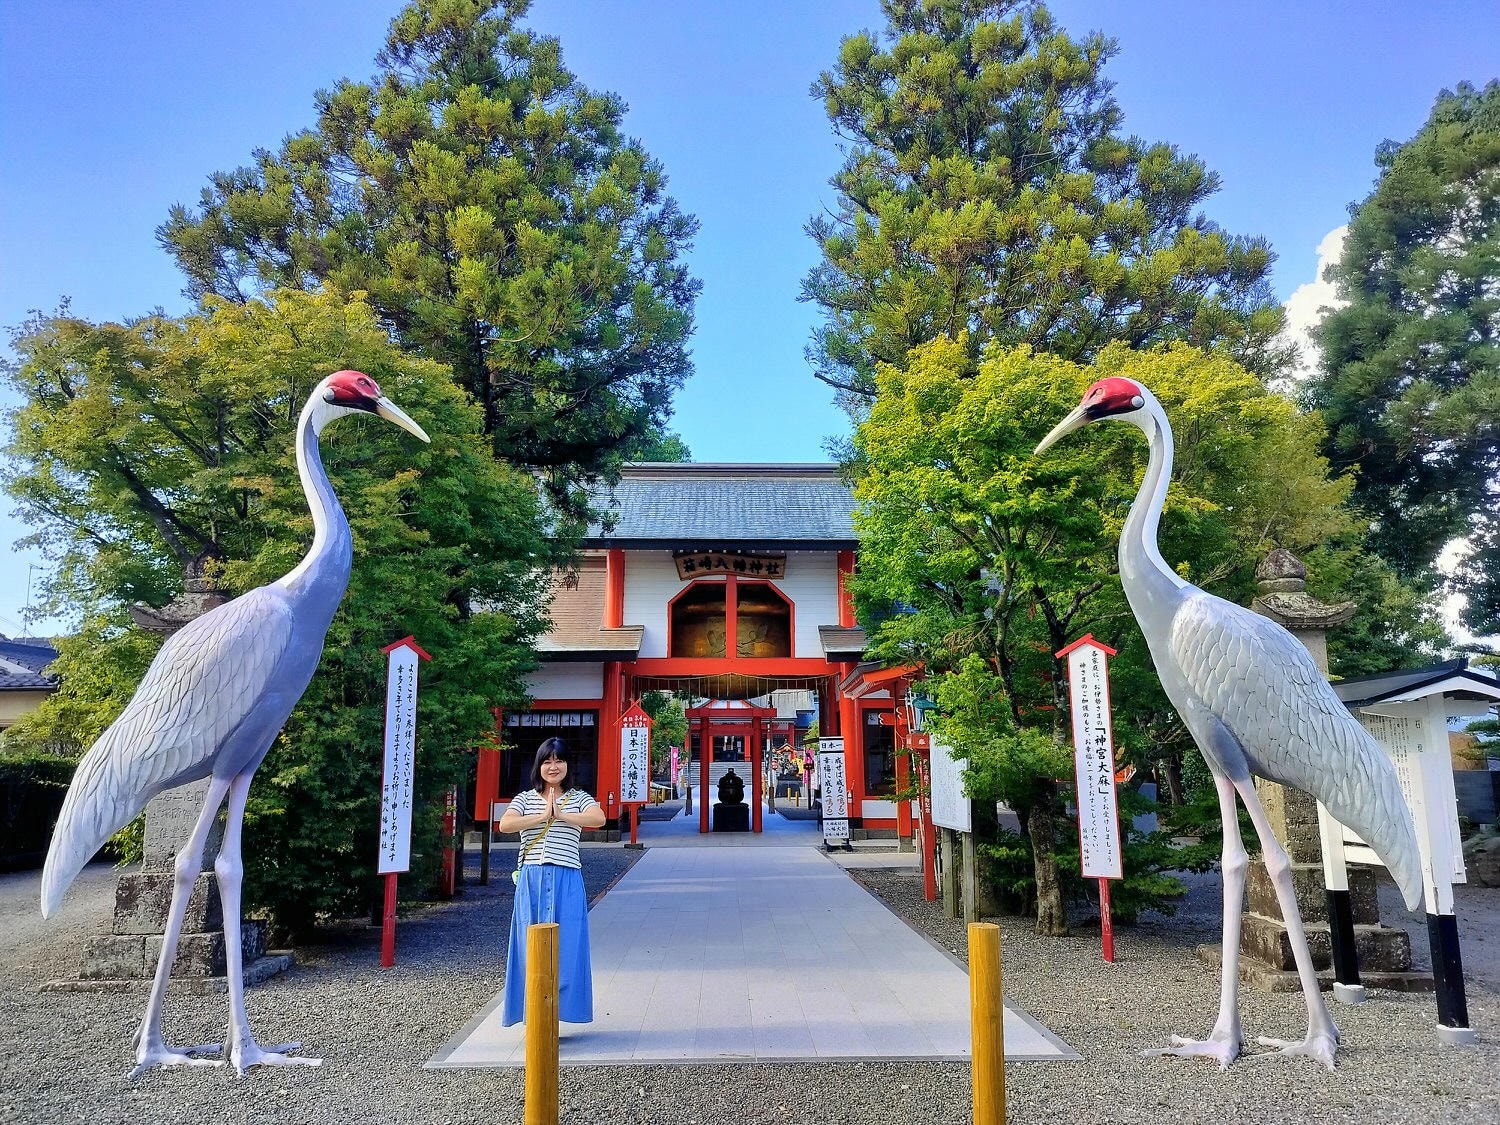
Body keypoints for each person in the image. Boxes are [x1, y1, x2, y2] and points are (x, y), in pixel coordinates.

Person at [497, 737, 606, 1026]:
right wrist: (543, 816)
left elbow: (599, 818)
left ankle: (561, 1014)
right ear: (539, 766)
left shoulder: (579, 798)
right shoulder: (525, 798)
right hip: (531, 878)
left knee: (569, 945)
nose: (553, 766)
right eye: (547, 761)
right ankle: (532, 1016)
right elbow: (505, 824)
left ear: (568, 765)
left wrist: (562, 815)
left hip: (567, 877)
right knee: (528, 947)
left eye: (559, 760)